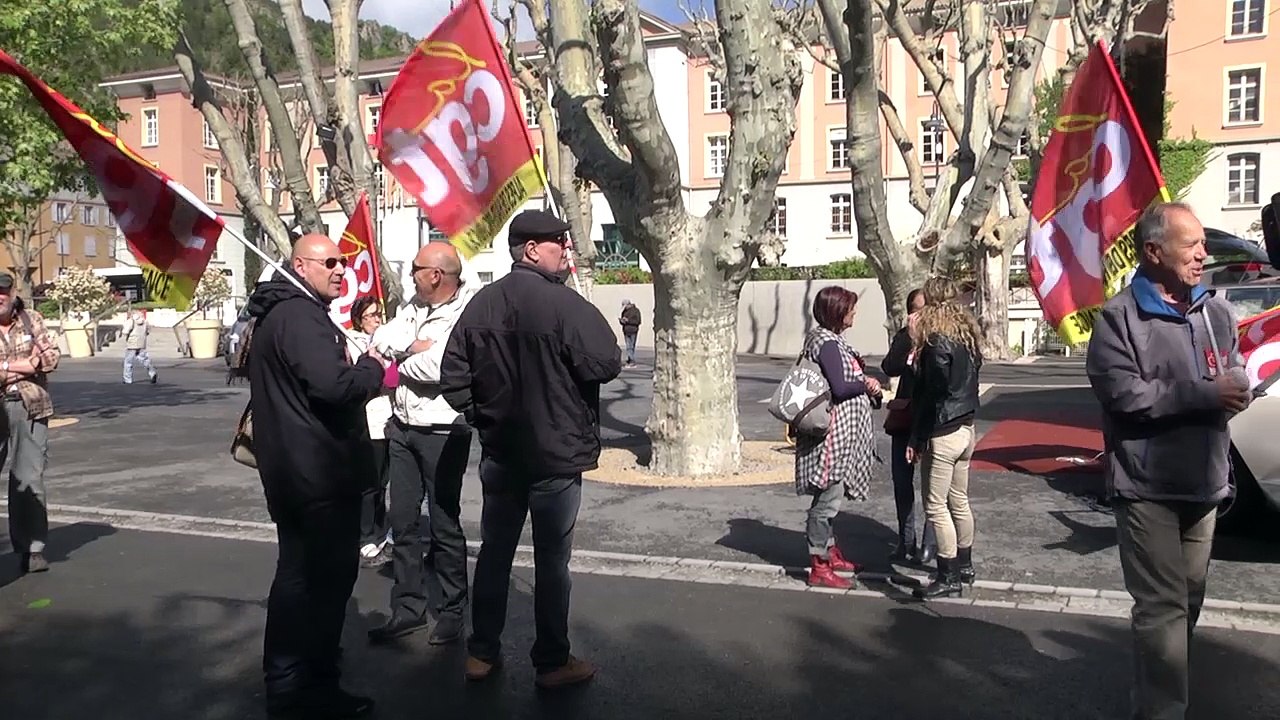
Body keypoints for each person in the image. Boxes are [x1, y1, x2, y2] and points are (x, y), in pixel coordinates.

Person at [441, 209, 621, 689]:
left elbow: (452, 376)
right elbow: (606, 362)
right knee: (551, 562)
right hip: (554, 457)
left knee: (495, 553)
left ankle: (481, 652)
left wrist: (482, 417)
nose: (567, 249)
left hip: (503, 453)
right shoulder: (563, 305)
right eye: (558, 243)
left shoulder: (482, 303)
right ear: (531, 249)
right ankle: (551, 661)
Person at [1086, 202, 1249, 720]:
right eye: (1191, 244)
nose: (1203, 253)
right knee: (1162, 610)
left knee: (1188, 602)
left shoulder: (1217, 310)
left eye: (1202, 243)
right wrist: (1206, 394)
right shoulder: (1117, 318)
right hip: (1146, 488)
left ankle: (1158, 693)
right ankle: (1161, 711)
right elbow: (1124, 396)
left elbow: (1234, 367)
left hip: (1205, 484)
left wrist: (1239, 384)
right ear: (1153, 252)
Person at [246, 234, 385, 719]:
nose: (340, 270)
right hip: (317, 475)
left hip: (295, 470)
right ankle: (307, 687)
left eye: (343, 262)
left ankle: (295, 683)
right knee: (318, 584)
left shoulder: (282, 315)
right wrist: (374, 368)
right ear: (300, 267)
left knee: (300, 578)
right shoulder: (299, 317)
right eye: (330, 262)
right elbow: (333, 386)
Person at [366, 242, 475, 645]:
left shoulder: (466, 311)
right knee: (403, 523)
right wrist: (408, 348)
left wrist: (398, 356)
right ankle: (408, 609)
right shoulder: (411, 306)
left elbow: (442, 367)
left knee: (445, 523)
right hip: (402, 427)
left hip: (444, 431)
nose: (410, 273)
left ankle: (452, 611)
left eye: (416, 268)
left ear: (436, 275)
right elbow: (379, 339)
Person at [793, 286, 881, 589]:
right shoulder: (827, 343)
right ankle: (818, 564)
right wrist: (866, 384)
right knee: (827, 498)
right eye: (850, 308)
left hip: (840, 434)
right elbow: (842, 387)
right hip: (833, 438)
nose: (854, 313)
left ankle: (829, 552)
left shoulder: (831, 341)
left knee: (832, 496)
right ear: (836, 311)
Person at [907, 277, 982, 600]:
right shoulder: (966, 336)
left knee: (935, 506)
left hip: (944, 430)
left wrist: (917, 437)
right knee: (959, 500)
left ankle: (948, 573)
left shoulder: (936, 341)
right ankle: (964, 565)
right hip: (967, 427)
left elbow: (931, 393)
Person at [0, 282, 61, 575]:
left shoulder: (32, 319)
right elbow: (37, 362)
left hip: (31, 405)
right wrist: (25, 364)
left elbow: (51, 358)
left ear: (12, 295)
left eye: (3, 291)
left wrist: (6, 367)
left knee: (29, 477)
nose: (0, 297)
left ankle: (32, 549)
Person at [881, 287, 937, 566]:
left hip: (929, 420)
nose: (920, 315)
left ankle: (929, 542)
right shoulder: (905, 337)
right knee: (902, 482)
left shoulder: (940, 339)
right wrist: (908, 339)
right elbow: (889, 367)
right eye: (916, 309)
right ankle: (906, 540)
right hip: (904, 418)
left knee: (932, 485)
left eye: (925, 309)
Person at [345, 295, 394, 568]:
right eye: (370, 315)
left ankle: (380, 528)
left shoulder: (386, 341)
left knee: (383, 480)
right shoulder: (354, 342)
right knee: (369, 482)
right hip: (369, 420)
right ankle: (365, 536)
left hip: (389, 418)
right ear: (359, 320)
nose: (376, 320)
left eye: (379, 314)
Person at [121, 308, 157, 384]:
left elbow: (125, 331)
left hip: (132, 344)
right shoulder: (145, 321)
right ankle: (152, 372)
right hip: (141, 343)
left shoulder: (131, 321)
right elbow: (148, 331)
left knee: (128, 362)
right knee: (145, 360)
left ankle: (127, 379)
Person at [619, 299, 641, 367]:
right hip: (626, 330)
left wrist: (628, 321)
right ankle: (630, 359)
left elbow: (638, 321)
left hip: (633, 330)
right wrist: (622, 321)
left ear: (629, 304)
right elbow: (622, 319)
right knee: (628, 346)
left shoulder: (636, 311)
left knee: (631, 346)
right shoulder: (624, 311)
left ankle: (631, 360)